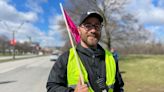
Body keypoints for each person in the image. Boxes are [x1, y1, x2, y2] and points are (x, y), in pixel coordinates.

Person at [46, 10, 124, 92]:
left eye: (97, 26)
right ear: (79, 30)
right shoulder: (66, 58)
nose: (93, 30)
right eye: (88, 26)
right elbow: (52, 87)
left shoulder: (111, 58)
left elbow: (119, 87)